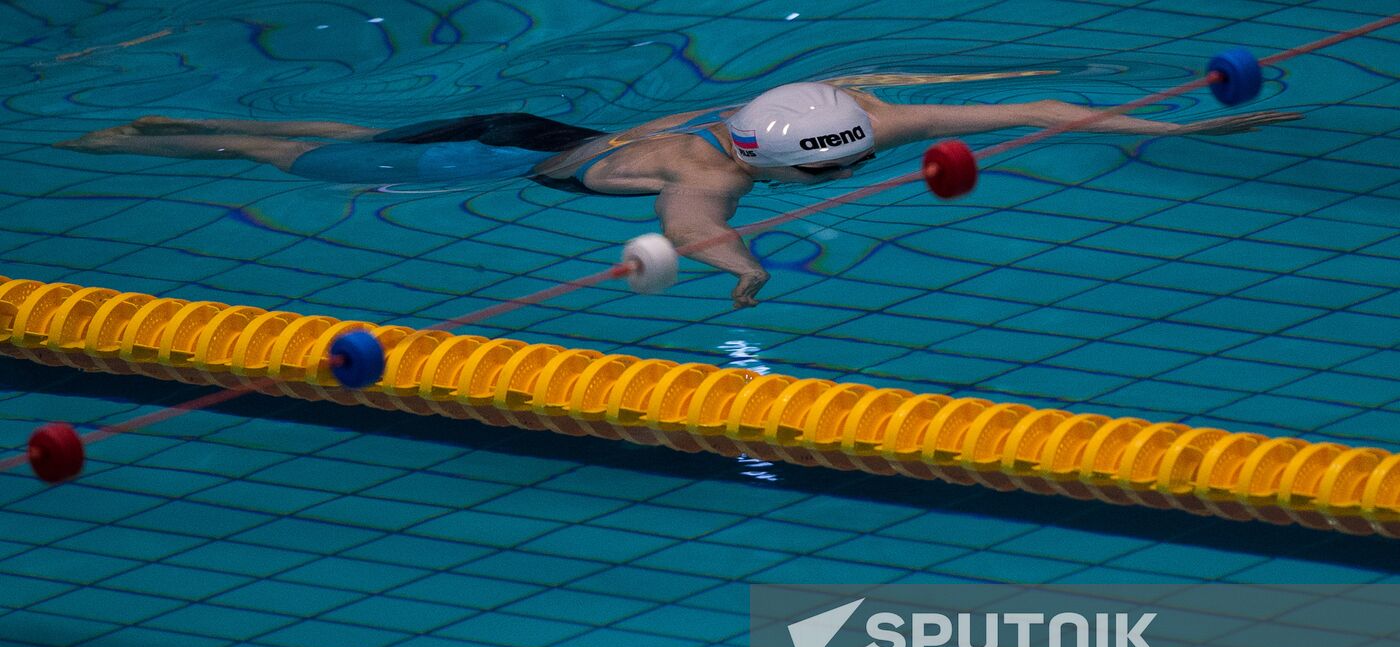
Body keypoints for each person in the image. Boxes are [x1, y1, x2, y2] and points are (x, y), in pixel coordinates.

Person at [57, 83, 1300, 307]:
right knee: (278, 160)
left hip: (536, 123)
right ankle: (135, 141)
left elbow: (1031, 112)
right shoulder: (715, 173)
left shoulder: (849, 114)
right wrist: (744, 274)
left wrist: (1179, 116)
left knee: (344, 134)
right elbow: (692, 232)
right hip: (497, 158)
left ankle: (164, 121)